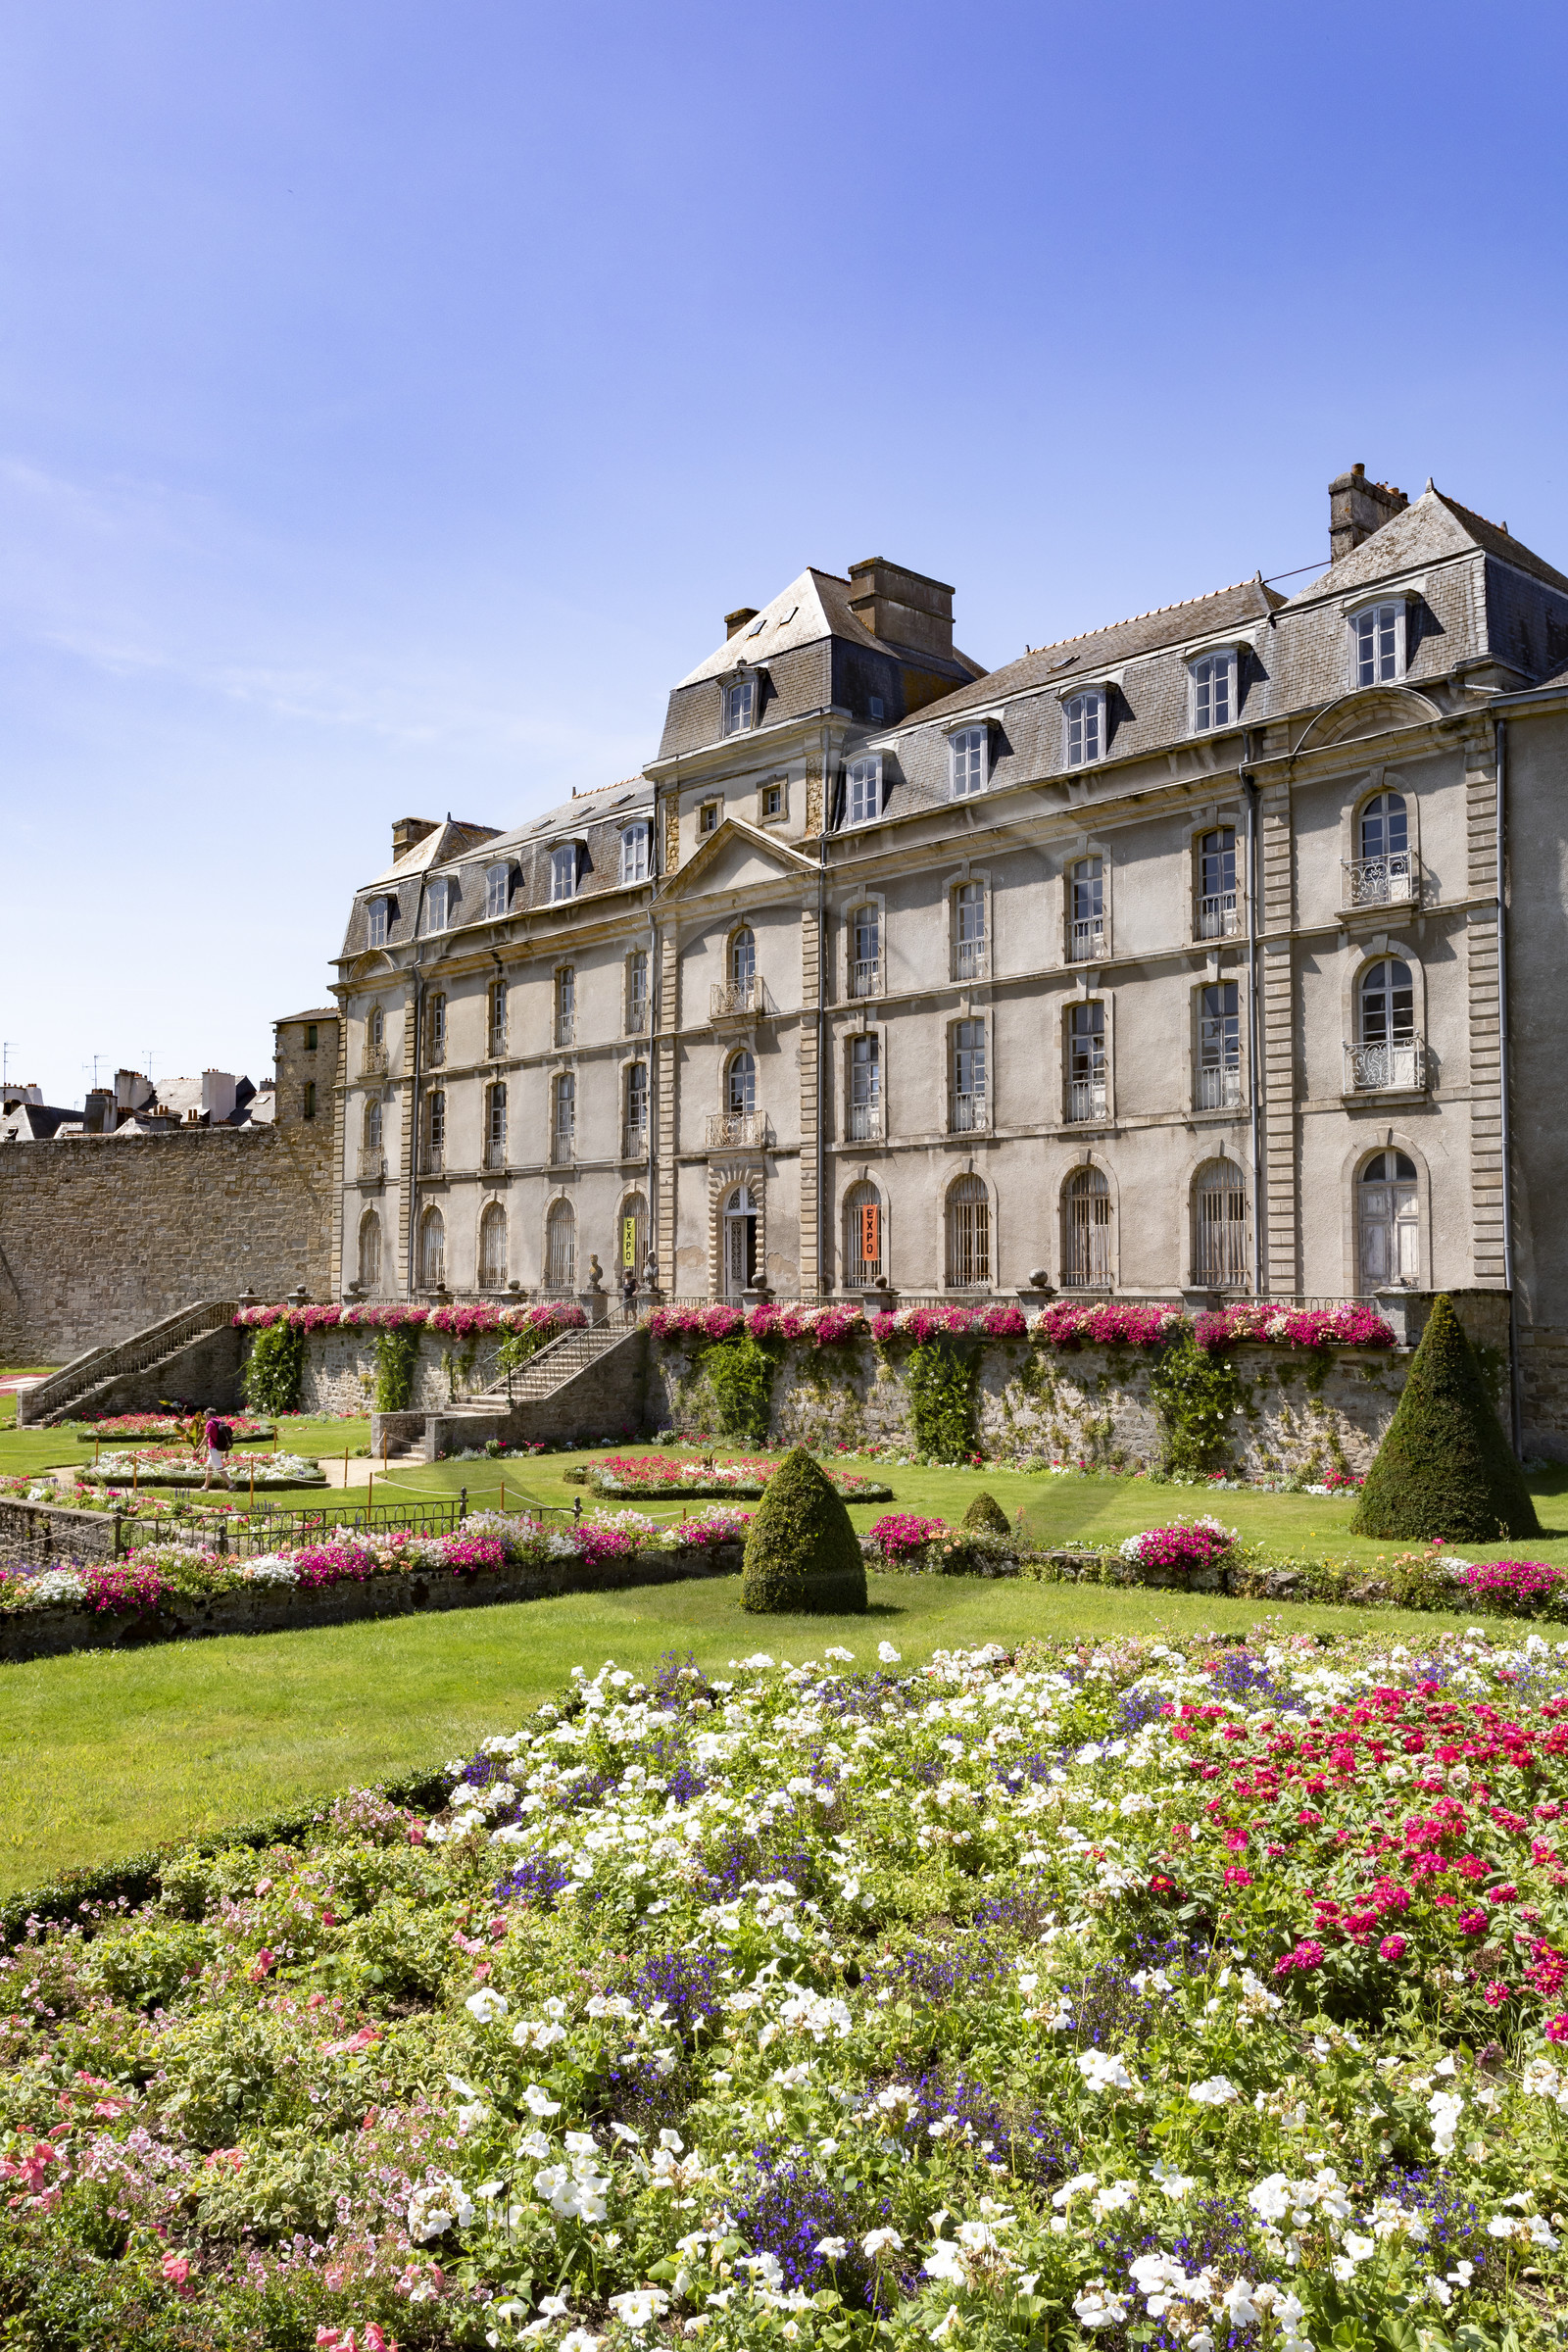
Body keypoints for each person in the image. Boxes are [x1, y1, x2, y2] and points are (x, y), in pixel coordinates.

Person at [202, 1412, 233, 1490]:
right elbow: (227, 1436)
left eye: (205, 1415)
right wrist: (226, 1450)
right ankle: (205, 1487)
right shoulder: (221, 1421)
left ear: (208, 1414)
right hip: (221, 1448)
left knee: (218, 1468)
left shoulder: (210, 1423)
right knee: (209, 1466)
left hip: (214, 1448)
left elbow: (206, 1436)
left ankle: (231, 1485)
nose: (205, 1417)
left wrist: (199, 1447)